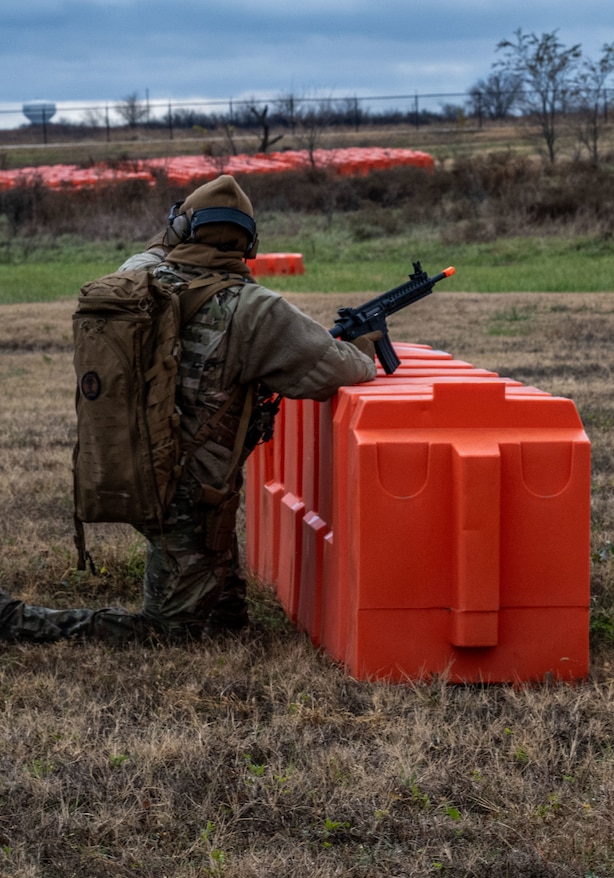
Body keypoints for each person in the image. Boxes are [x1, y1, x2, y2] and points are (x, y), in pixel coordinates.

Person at [1, 175, 379, 644]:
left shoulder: (134, 277)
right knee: (166, 632)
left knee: (215, 588)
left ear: (180, 231)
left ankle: (224, 608)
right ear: (250, 244)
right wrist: (363, 341)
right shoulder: (256, 309)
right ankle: (15, 621)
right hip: (183, 497)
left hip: (127, 467)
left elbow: (156, 251)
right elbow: (341, 371)